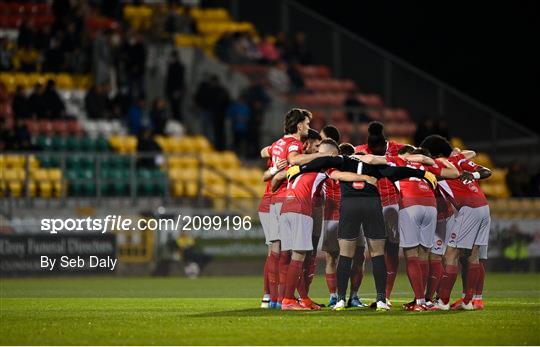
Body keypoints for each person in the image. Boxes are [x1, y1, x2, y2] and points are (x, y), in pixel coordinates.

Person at [287, 150, 438, 311]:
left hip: (350, 206)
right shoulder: (375, 166)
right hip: (371, 204)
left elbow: (323, 161)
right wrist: (423, 173)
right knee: (377, 254)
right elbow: (397, 171)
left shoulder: (343, 161)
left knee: (345, 255)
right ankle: (381, 299)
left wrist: (300, 169)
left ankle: (340, 301)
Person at [364, 146, 459, 311]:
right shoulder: (425, 166)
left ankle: (420, 302)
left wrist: (354, 158)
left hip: (410, 205)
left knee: (411, 255)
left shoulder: (398, 160)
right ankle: (423, 300)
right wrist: (428, 160)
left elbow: (372, 160)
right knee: (424, 255)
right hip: (431, 207)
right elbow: (454, 173)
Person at [258, 108, 327, 309]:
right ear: (299, 125)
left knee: (275, 251)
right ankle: (281, 299)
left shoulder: (279, 143)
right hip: (282, 200)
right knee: (283, 252)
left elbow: (264, 152)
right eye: (306, 123)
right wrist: (322, 157)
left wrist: (273, 167)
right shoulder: (294, 144)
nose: (308, 127)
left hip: (270, 200)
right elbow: (293, 163)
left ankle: (271, 298)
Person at [420, 135, 492, 311]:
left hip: (468, 209)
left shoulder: (436, 165)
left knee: (450, 255)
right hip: (483, 206)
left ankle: (443, 301)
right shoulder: (458, 160)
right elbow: (486, 171)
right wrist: (472, 173)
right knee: (473, 255)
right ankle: (468, 301)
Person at [355, 121, 404, 305]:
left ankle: (386, 296)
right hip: (372, 204)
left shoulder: (396, 148)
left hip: (393, 204)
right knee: (376, 251)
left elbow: (417, 154)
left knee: (391, 249)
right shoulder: (360, 150)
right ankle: (365, 296)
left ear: (385, 144)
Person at [165, 50, 185, 122]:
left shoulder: (179, 67)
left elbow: (179, 80)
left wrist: (177, 91)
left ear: (175, 58)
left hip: (175, 91)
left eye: (171, 57)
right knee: (172, 108)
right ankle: (174, 122)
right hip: (170, 90)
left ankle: (178, 122)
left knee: (176, 108)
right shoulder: (171, 66)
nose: (170, 59)